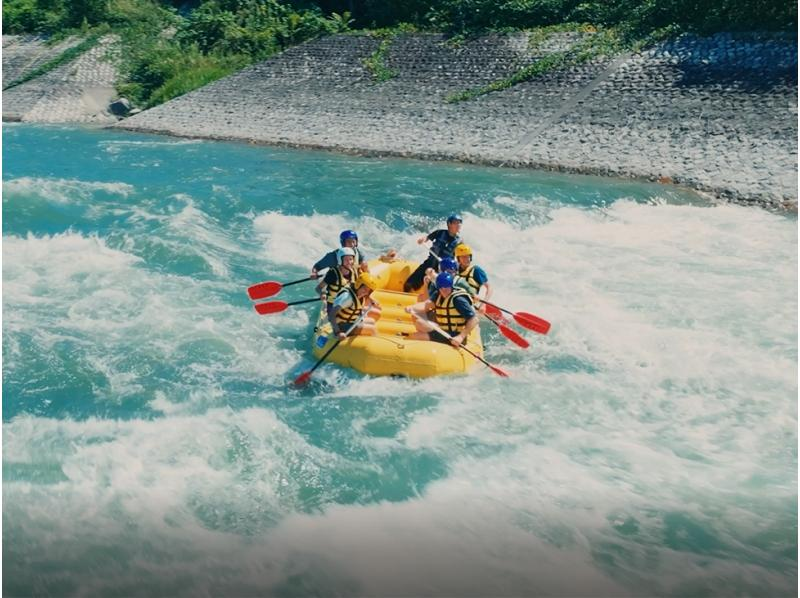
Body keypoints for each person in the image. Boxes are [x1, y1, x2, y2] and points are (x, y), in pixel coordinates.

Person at [404, 272, 479, 347]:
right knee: (419, 323)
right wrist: (412, 308)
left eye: (446, 287)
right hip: (443, 332)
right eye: (441, 287)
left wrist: (461, 337)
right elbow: (426, 305)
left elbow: (474, 319)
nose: (444, 290)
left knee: (417, 336)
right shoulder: (438, 295)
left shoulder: (458, 300)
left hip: (454, 336)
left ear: (451, 286)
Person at [403, 214, 463, 293]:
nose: (458, 225)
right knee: (408, 285)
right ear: (449, 224)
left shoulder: (459, 242)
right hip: (429, 263)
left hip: (443, 270)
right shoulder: (439, 233)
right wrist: (422, 239)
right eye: (456, 223)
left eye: (460, 223)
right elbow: (427, 238)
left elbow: (460, 259)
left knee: (433, 290)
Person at [311, 230, 397, 279]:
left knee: (364, 264)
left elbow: (362, 266)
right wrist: (314, 273)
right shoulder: (333, 256)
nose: (352, 244)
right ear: (343, 243)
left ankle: (385, 258)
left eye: (353, 241)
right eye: (349, 242)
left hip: (352, 279)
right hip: (338, 281)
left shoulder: (358, 252)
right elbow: (317, 266)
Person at [329, 272, 382, 339]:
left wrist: (372, 300)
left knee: (372, 321)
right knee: (371, 329)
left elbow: (364, 296)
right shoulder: (347, 297)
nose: (365, 292)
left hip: (351, 321)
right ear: (358, 285)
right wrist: (338, 332)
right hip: (342, 326)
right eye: (364, 288)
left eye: (368, 291)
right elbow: (332, 315)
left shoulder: (358, 291)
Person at [315, 247, 357, 320]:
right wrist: (322, 294)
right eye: (346, 260)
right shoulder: (333, 274)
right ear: (340, 260)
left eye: (351, 259)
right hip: (333, 304)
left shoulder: (354, 271)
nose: (349, 262)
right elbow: (318, 288)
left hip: (347, 303)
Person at [454, 243, 491, 312]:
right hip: (456, 301)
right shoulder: (454, 269)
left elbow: (489, 288)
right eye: (463, 257)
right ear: (458, 258)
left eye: (468, 256)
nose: (467, 259)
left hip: (469, 304)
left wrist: (483, 305)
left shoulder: (476, 270)